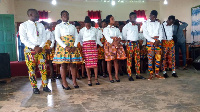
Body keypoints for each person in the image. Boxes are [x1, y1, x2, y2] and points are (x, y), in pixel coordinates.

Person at [19, 9, 51, 94]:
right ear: (30, 14)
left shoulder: (40, 25)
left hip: (41, 49)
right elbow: (23, 39)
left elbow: (44, 37)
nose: (38, 15)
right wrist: (34, 47)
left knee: (43, 68)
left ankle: (45, 86)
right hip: (30, 51)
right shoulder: (23, 25)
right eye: (36, 14)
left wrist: (40, 47)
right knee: (31, 69)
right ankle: (34, 87)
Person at [53, 10, 82, 90]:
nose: (65, 16)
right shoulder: (58, 26)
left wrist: (75, 46)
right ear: (61, 17)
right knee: (64, 64)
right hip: (63, 46)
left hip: (72, 46)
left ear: (68, 16)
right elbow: (57, 38)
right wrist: (65, 46)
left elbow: (77, 37)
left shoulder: (72, 26)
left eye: (67, 15)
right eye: (64, 15)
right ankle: (64, 83)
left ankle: (74, 81)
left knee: (73, 64)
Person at [77, 16, 103, 86]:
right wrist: (84, 45)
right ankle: (89, 79)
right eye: (86, 25)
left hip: (93, 47)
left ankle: (96, 79)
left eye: (89, 25)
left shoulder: (95, 30)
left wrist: (96, 45)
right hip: (86, 47)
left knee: (95, 64)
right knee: (87, 64)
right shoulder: (82, 30)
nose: (87, 26)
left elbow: (97, 39)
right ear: (84, 24)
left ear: (90, 24)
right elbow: (80, 39)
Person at [122, 12, 146, 81]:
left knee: (137, 59)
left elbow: (137, 35)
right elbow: (124, 36)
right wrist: (129, 41)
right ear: (130, 17)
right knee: (129, 60)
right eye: (133, 17)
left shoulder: (136, 26)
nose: (135, 18)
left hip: (136, 43)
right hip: (130, 43)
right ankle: (129, 75)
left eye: (135, 17)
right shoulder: (126, 26)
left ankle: (138, 74)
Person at [142, 10, 165, 80]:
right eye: (152, 16)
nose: (153, 17)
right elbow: (145, 34)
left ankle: (157, 74)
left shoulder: (158, 23)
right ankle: (151, 74)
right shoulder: (145, 23)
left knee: (158, 58)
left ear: (156, 17)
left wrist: (159, 40)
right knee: (150, 58)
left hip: (158, 42)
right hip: (150, 42)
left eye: (154, 17)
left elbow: (161, 32)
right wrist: (153, 41)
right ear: (150, 15)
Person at [103, 15, 126, 83]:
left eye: (113, 18)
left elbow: (120, 36)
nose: (114, 20)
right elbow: (107, 38)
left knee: (116, 60)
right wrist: (114, 42)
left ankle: (116, 75)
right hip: (109, 45)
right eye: (112, 19)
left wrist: (118, 41)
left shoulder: (116, 28)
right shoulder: (105, 29)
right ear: (108, 20)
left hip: (116, 44)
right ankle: (110, 76)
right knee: (109, 61)